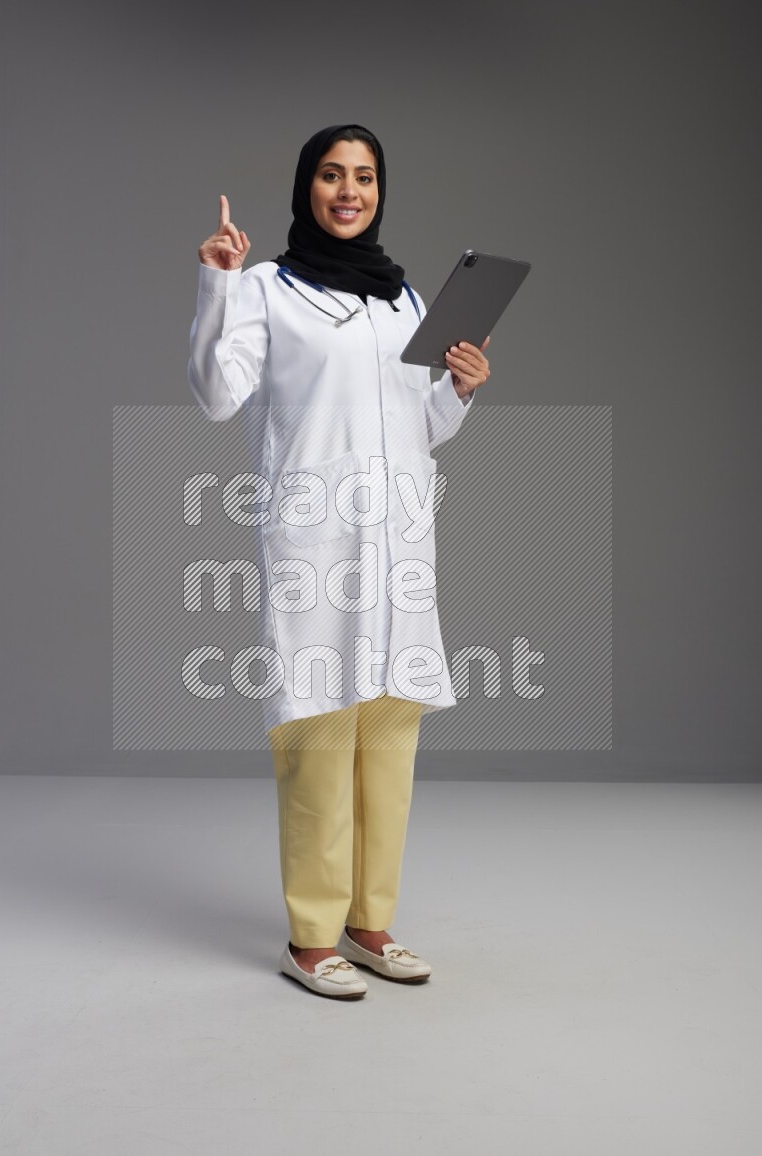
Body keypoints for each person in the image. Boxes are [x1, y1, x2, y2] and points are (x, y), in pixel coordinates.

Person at [188, 124, 490, 999]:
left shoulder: (402, 300)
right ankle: (311, 936)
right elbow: (215, 395)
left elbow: (417, 428)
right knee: (319, 732)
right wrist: (213, 283)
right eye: (331, 174)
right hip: (313, 543)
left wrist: (457, 391)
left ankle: (370, 923)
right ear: (306, 187)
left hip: (398, 545)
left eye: (363, 176)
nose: (348, 190)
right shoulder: (264, 290)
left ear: (380, 190)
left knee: (389, 737)